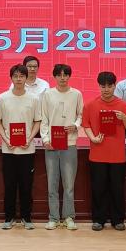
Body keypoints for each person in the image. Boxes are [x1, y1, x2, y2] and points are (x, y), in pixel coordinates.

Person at [82, 71, 126, 231]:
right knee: (98, 189)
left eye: (109, 86)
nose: (106, 89)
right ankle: (98, 219)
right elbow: (86, 125)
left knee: (117, 189)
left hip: (117, 155)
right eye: (103, 86)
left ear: (114, 86)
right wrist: (93, 138)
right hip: (97, 154)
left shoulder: (123, 106)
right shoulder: (90, 105)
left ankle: (118, 220)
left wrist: (124, 118)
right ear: (99, 86)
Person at [0, 64, 42, 230]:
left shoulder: (34, 99)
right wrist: (6, 139)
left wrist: (30, 138)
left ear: (26, 78)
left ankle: (26, 218)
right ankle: (9, 218)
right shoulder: (2, 98)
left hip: (27, 149)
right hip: (8, 149)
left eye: (22, 76)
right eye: (15, 76)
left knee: (26, 185)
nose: (19, 79)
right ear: (11, 78)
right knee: (9, 185)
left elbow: (37, 121)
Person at [40, 64, 84, 230]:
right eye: (59, 75)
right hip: (51, 144)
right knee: (52, 184)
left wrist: (76, 125)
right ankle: (53, 217)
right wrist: (45, 139)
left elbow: (81, 115)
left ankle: (69, 217)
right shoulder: (48, 94)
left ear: (69, 76)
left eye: (66, 75)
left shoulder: (76, 94)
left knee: (69, 184)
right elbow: (44, 118)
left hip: (69, 144)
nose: (63, 78)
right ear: (55, 77)